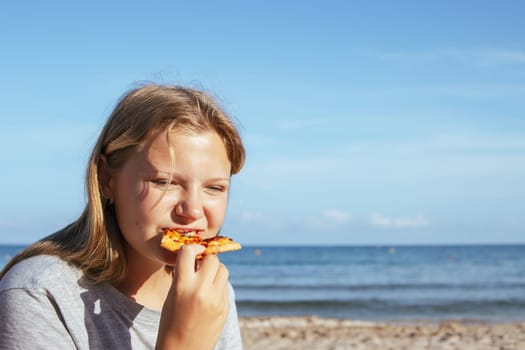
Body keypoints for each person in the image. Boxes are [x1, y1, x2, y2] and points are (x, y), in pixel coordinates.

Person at [0, 84, 246, 349]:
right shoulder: (40, 295)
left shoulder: (210, 292)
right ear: (107, 179)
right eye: (165, 182)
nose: (194, 210)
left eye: (214, 188)